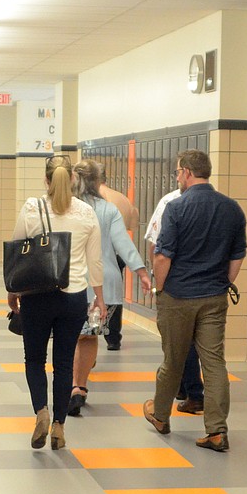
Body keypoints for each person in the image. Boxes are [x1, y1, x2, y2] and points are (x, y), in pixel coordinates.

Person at [143, 149, 246, 451]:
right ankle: (216, 430)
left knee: (173, 360)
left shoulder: (176, 208)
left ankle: (160, 416)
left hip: (178, 296)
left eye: (177, 172)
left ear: (187, 172)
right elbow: (237, 256)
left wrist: (160, 289)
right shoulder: (232, 209)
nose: (177, 178)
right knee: (214, 363)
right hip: (214, 297)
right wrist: (222, 282)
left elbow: (162, 256)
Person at [8, 155, 104, 450]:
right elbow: (95, 261)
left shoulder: (31, 208)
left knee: (35, 359)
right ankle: (59, 426)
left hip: (37, 295)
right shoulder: (87, 213)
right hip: (73, 297)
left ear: (46, 180)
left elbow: (18, 252)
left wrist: (13, 293)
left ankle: (41, 412)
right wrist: (99, 297)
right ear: (73, 179)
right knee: (63, 364)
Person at [68, 160, 150, 415]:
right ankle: (80, 386)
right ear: (98, 182)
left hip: (69, 282)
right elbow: (123, 244)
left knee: (72, 337)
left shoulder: (66, 207)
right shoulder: (108, 210)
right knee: (90, 336)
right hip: (104, 285)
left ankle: (71, 386)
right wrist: (141, 272)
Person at [145, 186, 204, 415]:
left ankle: (189, 394)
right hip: (209, 287)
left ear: (185, 173)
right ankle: (185, 388)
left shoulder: (170, 202)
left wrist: (159, 285)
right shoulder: (219, 203)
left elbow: (155, 246)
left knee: (178, 343)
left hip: (178, 286)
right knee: (203, 347)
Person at [97, 175, 139, 350]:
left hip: (100, 252)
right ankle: (114, 338)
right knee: (114, 294)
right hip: (118, 252)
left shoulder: (97, 199)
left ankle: (88, 332)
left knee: (95, 292)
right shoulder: (122, 198)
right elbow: (133, 223)